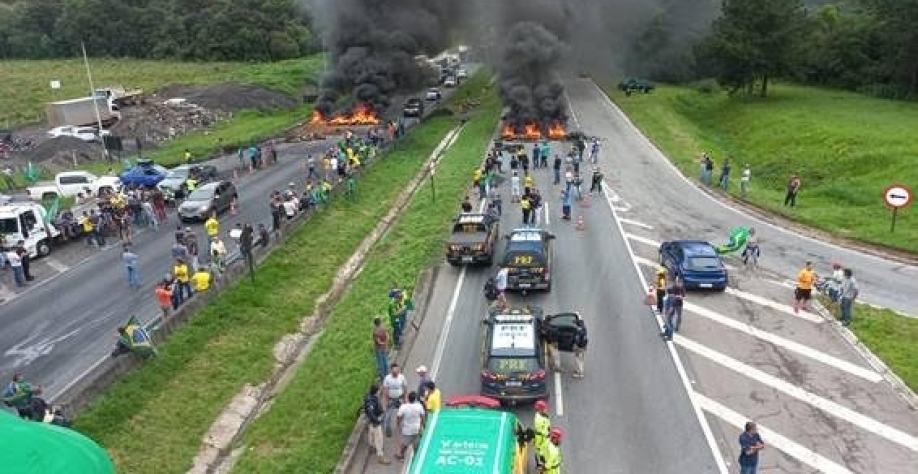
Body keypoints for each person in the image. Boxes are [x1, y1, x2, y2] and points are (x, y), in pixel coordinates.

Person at [363, 384, 391, 465]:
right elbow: (371, 413)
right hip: (375, 422)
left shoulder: (369, 397)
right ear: (376, 391)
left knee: (371, 434)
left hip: (371, 422)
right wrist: (377, 420)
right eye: (379, 390)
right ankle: (380, 457)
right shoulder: (371, 401)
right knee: (379, 439)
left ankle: (371, 446)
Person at [395, 391, 426, 460]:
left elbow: (399, 417)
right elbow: (422, 416)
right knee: (416, 444)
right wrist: (424, 425)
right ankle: (416, 458)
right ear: (415, 399)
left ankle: (401, 454)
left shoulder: (403, 407)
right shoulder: (419, 406)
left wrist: (398, 425)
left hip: (407, 429)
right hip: (417, 428)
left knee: (405, 443)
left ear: (408, 399)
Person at [533, 399, 551, 467]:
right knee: (542, 453)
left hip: (544, 438)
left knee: (543, 452)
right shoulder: (539, 419)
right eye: (544, 408)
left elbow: (547, 425)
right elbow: (542, 431)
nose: (546, 409)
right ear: (540, 409)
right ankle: (540, 466)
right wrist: (548, 435)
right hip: (542, 439)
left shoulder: (543, 415)